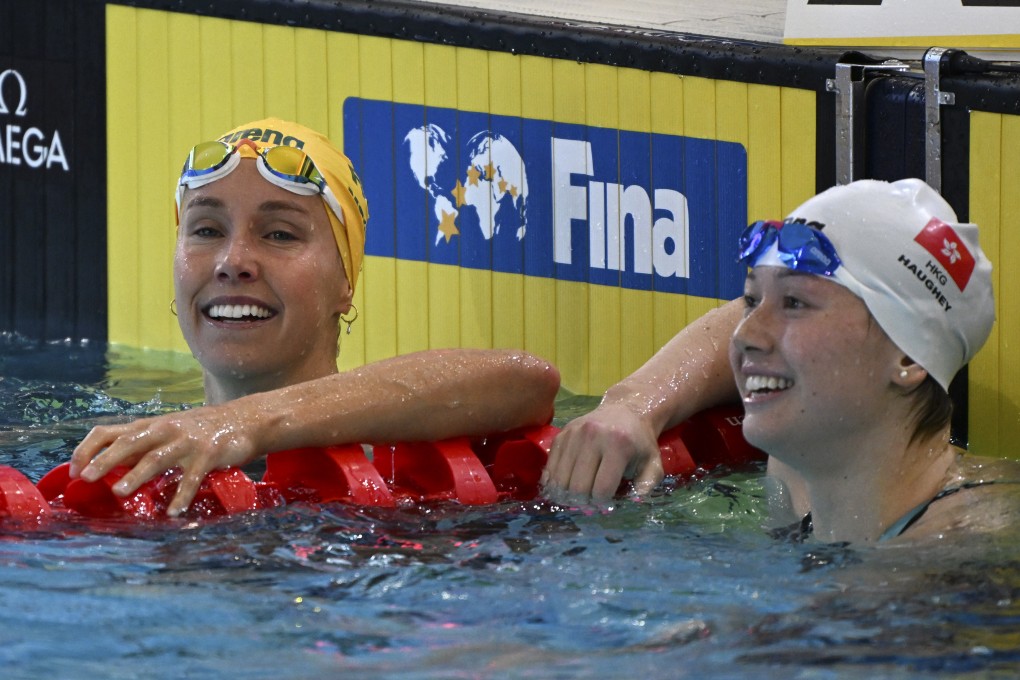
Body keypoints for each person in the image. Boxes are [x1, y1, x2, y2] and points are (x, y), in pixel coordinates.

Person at [70, 118, 560, 517]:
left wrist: (241, 422)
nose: (232, 260)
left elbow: (530, 382)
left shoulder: (391, 454)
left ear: (345, 283)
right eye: (206, 229)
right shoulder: (116, 442)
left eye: (280, 235)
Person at [543, 178, 1020, 544]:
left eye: (795, 304)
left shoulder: (964, 545)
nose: (747, 335)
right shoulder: (807, 466)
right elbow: (725, 326)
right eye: (755, 300)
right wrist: (634, 406)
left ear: (909, 355)